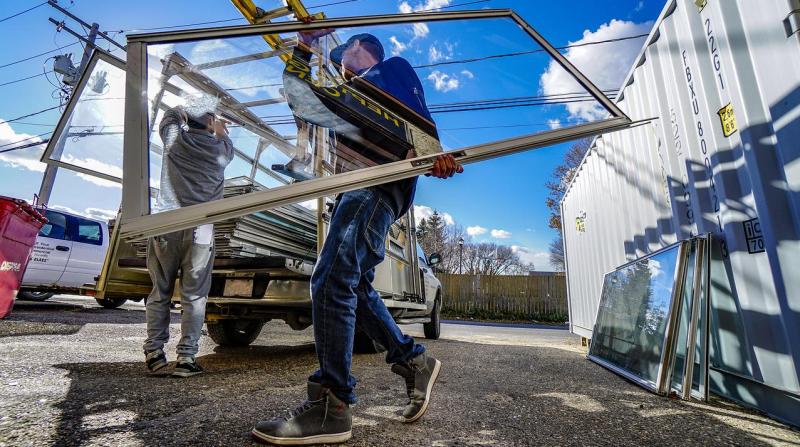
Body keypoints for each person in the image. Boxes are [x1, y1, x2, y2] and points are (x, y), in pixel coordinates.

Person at [252, 29, 463, 445]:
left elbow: (417, 116)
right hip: (355, 191)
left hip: (376, 187)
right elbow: (298, 95)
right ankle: (412, 360)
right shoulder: (344, 99)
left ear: (363, 50)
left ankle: (333, 404)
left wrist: (431, 153)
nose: (341, 57)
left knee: (330, 280)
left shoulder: (388, 72)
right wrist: (303, 47)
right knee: (354, 285)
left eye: (346, 49)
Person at [143, 104, 233, 378]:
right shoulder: (221, 150)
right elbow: (225, 138)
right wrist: (219, 125)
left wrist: (189, 109)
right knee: (194, 297)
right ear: (209, 124)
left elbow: (169, 117)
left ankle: (155, 354)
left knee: (160, 292)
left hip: (167, 224)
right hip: (200, 230)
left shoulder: (174, 140)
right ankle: (186, 358)